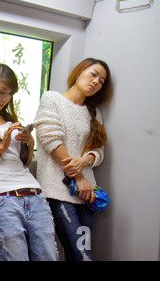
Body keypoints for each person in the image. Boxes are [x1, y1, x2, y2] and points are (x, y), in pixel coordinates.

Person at [0, 64, 58, 261]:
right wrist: (0, 147)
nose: (6, 99)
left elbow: (24, 162)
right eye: (2, 92)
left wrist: (29, 144)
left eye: (10, 94)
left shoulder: (10, 119)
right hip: (0, 196)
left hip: (34, 193)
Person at [33, 58, 112, 261]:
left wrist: (85, 162)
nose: (96, 82)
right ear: (79, 72)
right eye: (93, 74)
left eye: (101, 81)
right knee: (82, 255)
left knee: (79, 252)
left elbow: (99, 150)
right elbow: (51, 139)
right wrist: (78, 176)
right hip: (58, 191)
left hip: (86, 194)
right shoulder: (52, 99)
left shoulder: (94, 112)